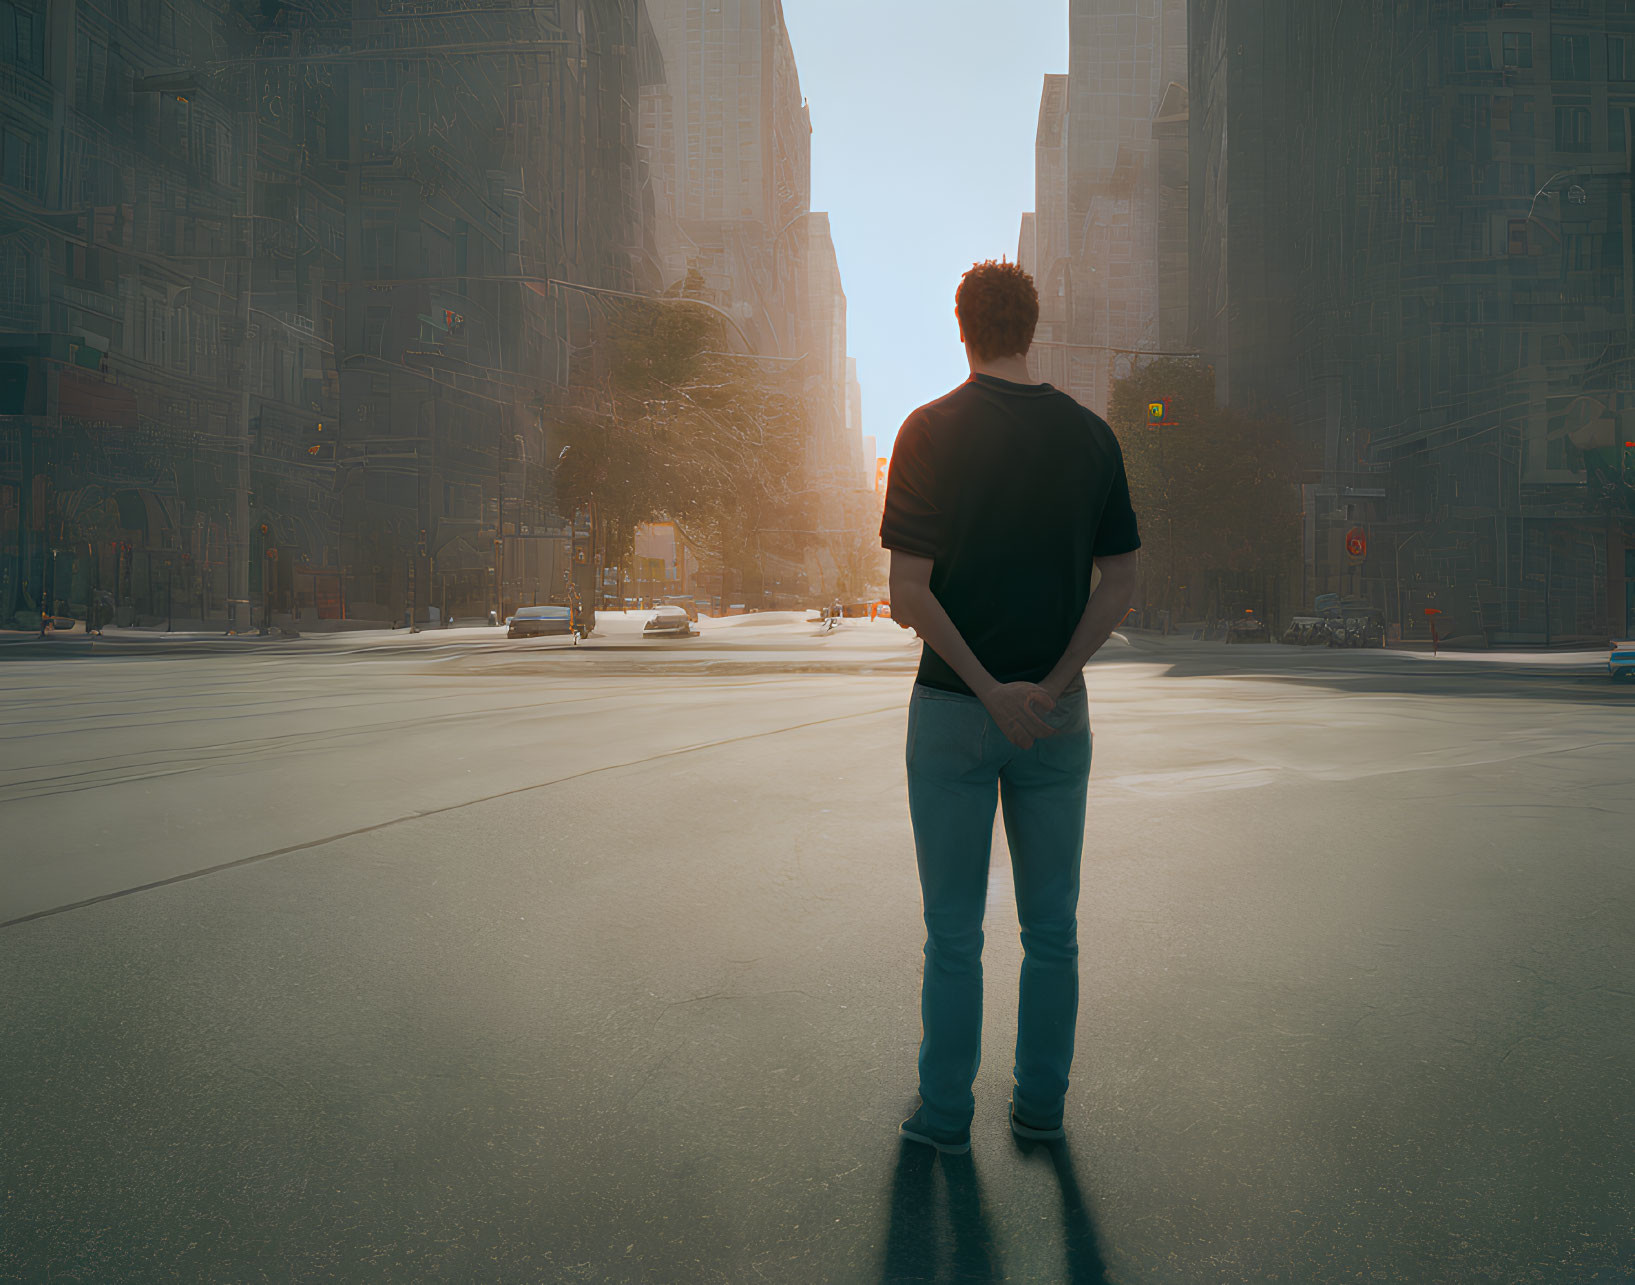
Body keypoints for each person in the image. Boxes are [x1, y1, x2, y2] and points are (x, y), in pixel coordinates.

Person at [880, 258, 1141, 1156]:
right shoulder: (1092, 438)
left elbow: (907, 591)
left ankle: (945, 1114)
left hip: (954, 708)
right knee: (1052, 930)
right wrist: (1052, 684)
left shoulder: (926, 431)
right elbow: (1121, 583)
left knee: (953, 934)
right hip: (1056, 719)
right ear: (1033, 329)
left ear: (962, 329)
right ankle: (1039, 1110)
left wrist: (989, 689)